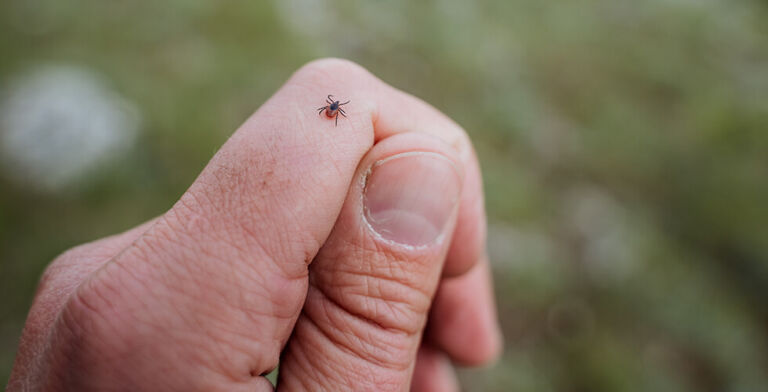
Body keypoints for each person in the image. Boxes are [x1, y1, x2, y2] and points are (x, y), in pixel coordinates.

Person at [8, 59, 502, 391]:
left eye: (333, 108)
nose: (332, 110)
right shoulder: (333, 109)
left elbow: (332, 108)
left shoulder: (332, 108)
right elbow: (333, 108)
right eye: (331, 108)